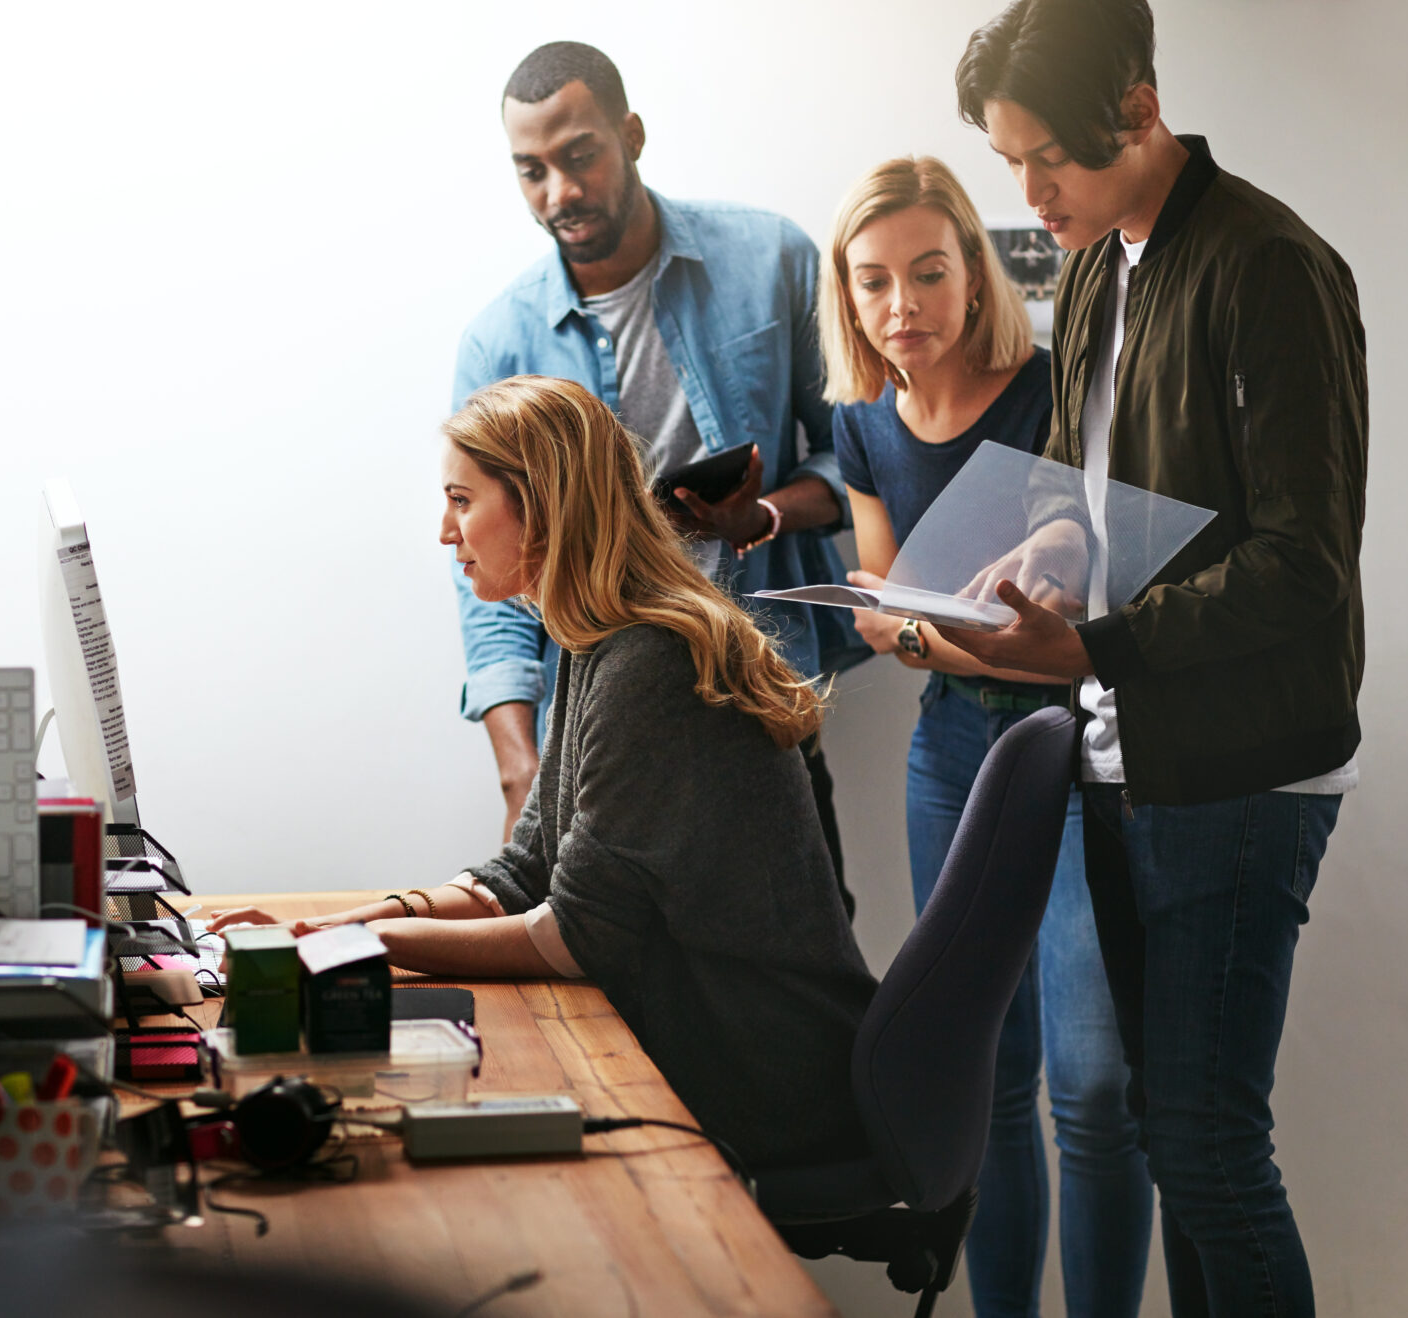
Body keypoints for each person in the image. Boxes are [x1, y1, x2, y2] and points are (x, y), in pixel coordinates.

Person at [938, 3, 1367, 1314]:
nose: (1028, 192)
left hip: (1239, 773)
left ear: (1135, 106)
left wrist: (1099, 637)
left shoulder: (1272, 267)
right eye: (1006, 161)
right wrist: (1048, 552)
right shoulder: (1091, 272)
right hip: (1122, 751)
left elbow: (1307, 561)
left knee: (1208, 1147)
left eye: (1044, 160)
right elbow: (1078, 480)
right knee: (1180, 1151)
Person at [216, 375, 877, 1171]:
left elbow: (572, 938)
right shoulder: (600, 640)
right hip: (720, 1051)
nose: (444, 532)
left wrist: (370, 941)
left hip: (764, 1084)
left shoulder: (651, 663)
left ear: (542, 505)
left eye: (462, 501)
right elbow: (522, 873)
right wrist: (341, 928)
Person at [822, 155, 1151, 1318]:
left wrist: (917, 633)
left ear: (972, 273)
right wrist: (913, 635)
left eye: (925, 272)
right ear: (845, 294)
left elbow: (1041, 611)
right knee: (987, 1081)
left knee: (1097, 1089)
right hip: (949, 749)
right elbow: (878, 606)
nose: (899, 305)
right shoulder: (860, 417)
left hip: (1069, 744)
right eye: (871, 282)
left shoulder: (1044, 387)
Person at [451, 41, 864, 913]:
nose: (558, 192)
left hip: (761, 714)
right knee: (612, 998)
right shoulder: (499, 344)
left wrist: (765, 516)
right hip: (601, 739)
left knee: (787, 980)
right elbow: (484, 585)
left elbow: (860, 462)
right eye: (531, 170)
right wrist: (520, 766)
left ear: (631, 134)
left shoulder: (774, 261)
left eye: (579, 156)